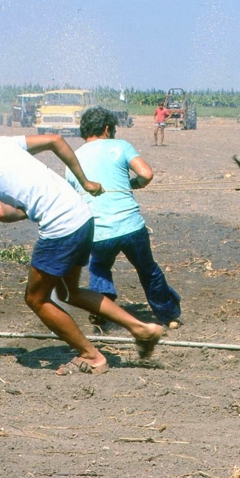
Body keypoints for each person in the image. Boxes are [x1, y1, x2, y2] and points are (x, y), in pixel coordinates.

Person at [0, 134, 164, 374]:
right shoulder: (0, 143)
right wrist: (84, 182)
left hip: (60, 228)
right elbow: (56, 140)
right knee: (69, 292)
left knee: (36, 299)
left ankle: (91, 356)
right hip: (82, 215)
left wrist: (25, 211)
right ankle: (142, 329)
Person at [67, 106, 182, 330]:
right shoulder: (121, 146)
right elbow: (146, 174)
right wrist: (132, 185)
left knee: (99, 268)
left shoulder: (74, 158)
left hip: (98, 230)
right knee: (147, 269)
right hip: (131, 227)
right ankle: (169, 316)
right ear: (107, 128)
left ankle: (102, 312)